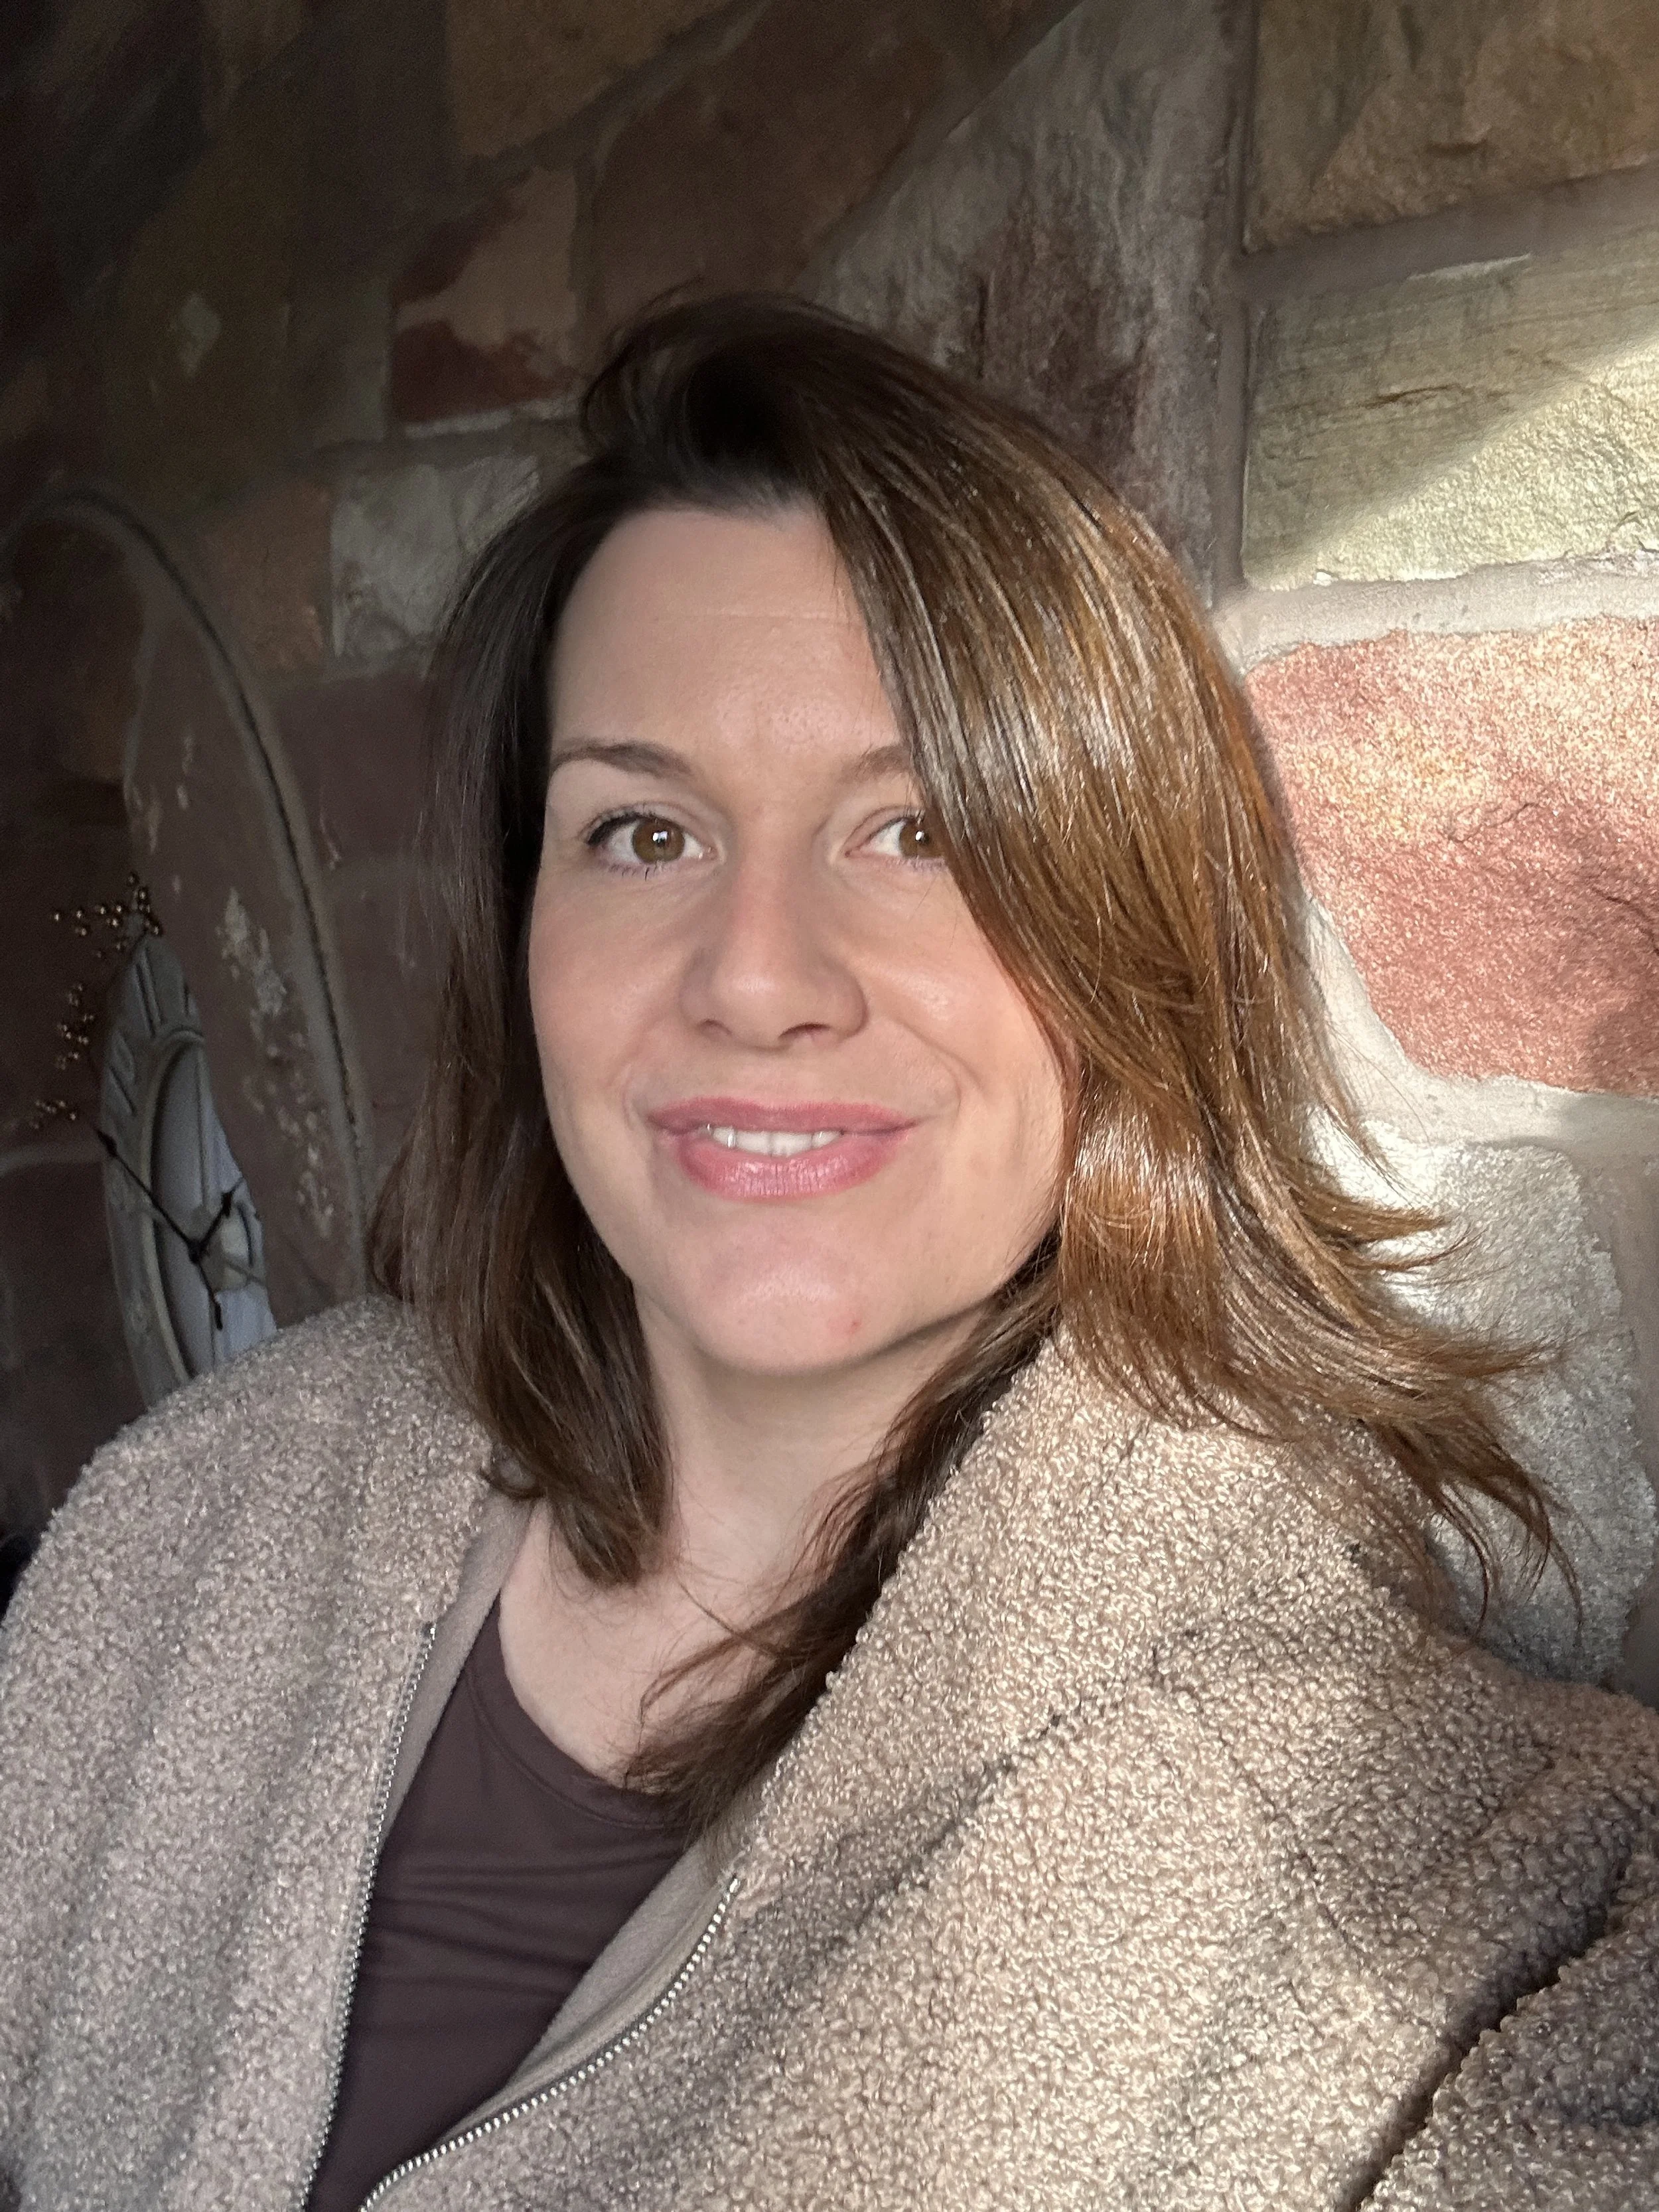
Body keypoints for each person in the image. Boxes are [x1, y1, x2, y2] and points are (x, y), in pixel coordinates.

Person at [3, 295, 1658, 2212]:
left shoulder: (1451, 1902)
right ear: (518, 928)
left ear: (1116, 938)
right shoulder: (194, 1529)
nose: (760, 977)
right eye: (640, 831)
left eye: (917, 828)